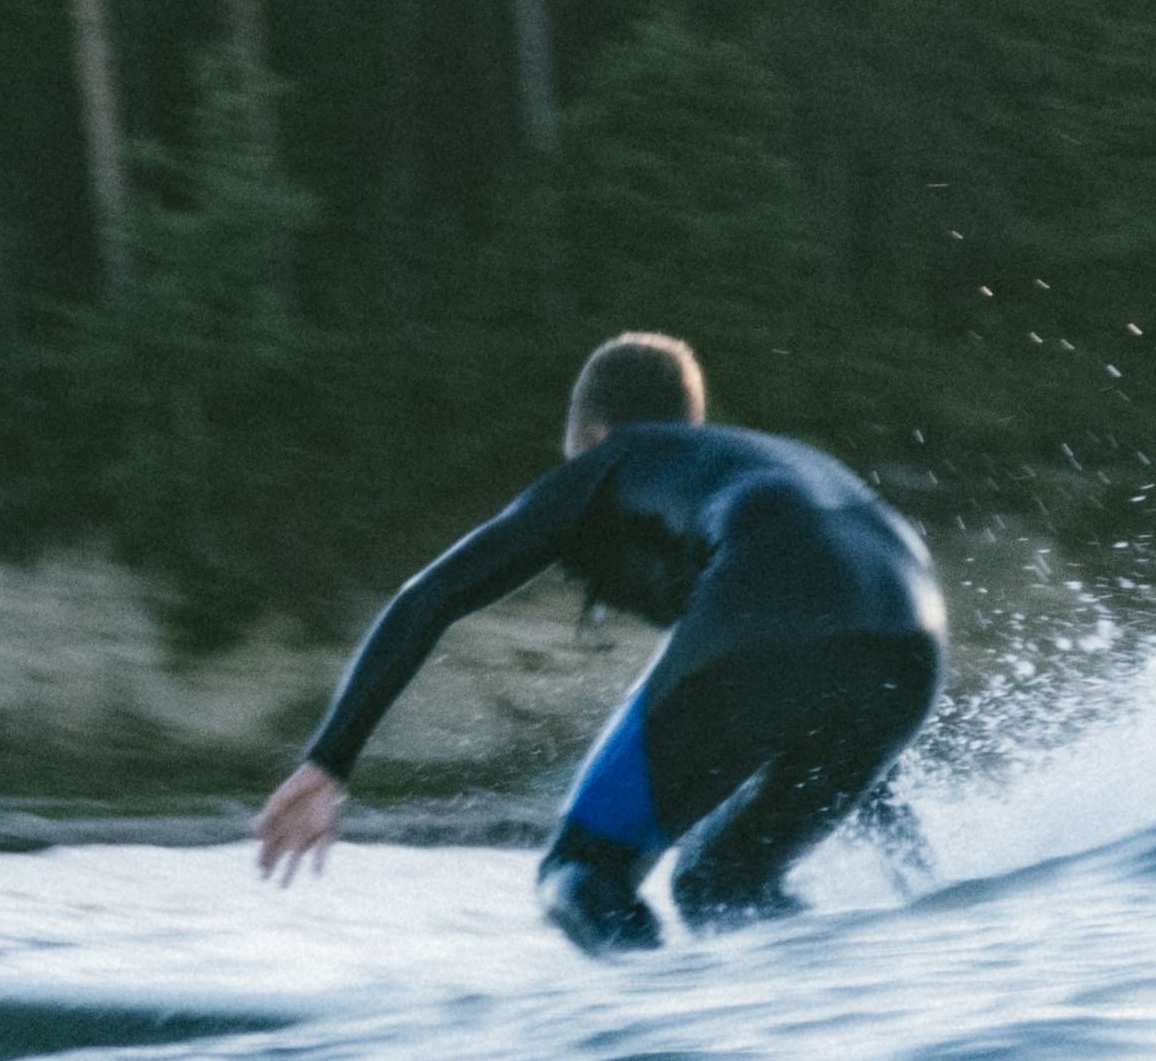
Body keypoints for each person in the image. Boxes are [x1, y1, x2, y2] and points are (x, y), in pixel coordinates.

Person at [252, 332, 946, 954]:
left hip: (768, 596)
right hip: (914, 626)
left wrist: (328, 761)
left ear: (590, 431)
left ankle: (657, 1053)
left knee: (581, 874)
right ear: (688, 424)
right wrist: (917, 875)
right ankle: (867, 990)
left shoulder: (609, 463)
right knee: (723, 883)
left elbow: (430, 595)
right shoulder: (749, 464)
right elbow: (833, 663)